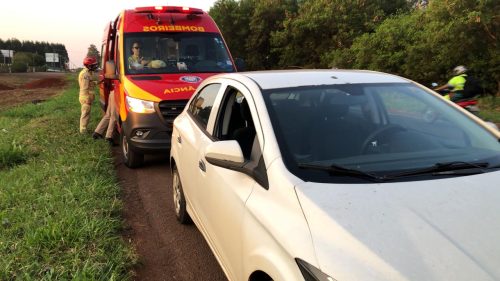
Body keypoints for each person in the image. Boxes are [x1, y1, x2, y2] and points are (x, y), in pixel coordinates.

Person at [78, 56, 99, 133]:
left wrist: (97, 82)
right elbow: (84, 87)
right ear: (88, 66)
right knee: (85, 113)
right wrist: (87, 98)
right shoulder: (85, 74)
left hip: (87, 96)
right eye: (93, 65)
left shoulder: (89, 73)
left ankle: (84, 128)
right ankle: (83, 130)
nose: (95, 66)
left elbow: (90, 83)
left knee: (86, 113)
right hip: (85, 96)